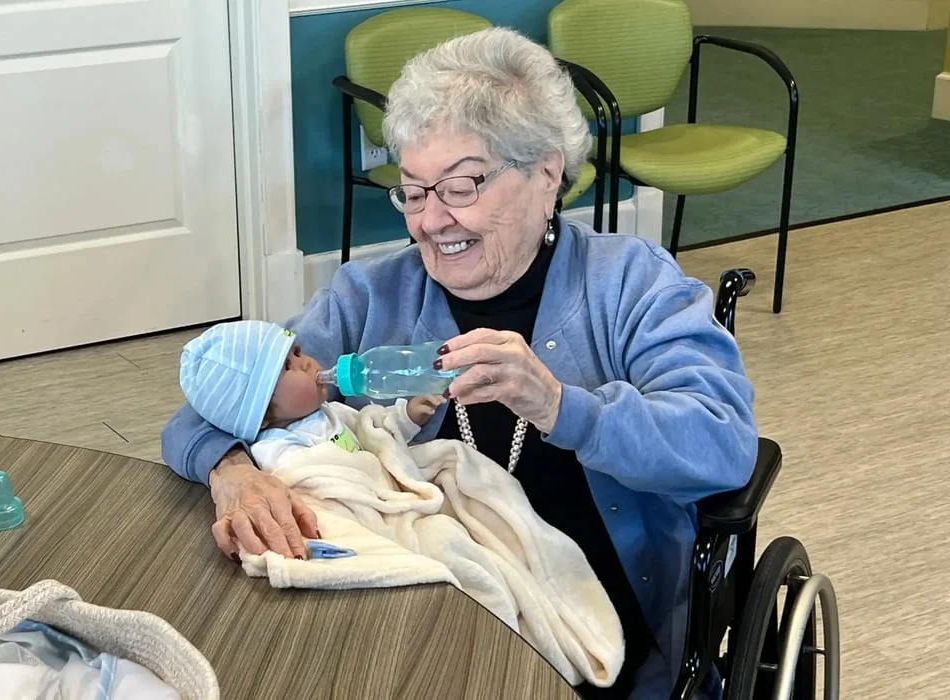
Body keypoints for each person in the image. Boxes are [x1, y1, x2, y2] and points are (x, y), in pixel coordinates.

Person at [162, 27, 756, 699]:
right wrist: (233, 473)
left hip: (593, 635)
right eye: (414, 191)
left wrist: (562, 407)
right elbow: (207, 409)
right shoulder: (370, 297)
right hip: (407, 630)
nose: (430, 221)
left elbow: (723, 446)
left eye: (461, 186)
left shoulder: (631, 285)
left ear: (546, 172)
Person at [178, 319, 445, 511]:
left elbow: (372, 433)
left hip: (382, 492)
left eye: (297, 352)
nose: (306, 362)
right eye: (287, 366)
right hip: (360, 507)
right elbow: (316, 494)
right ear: (260, 414)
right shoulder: (278, 451)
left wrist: (406, 417)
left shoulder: (330, 413)